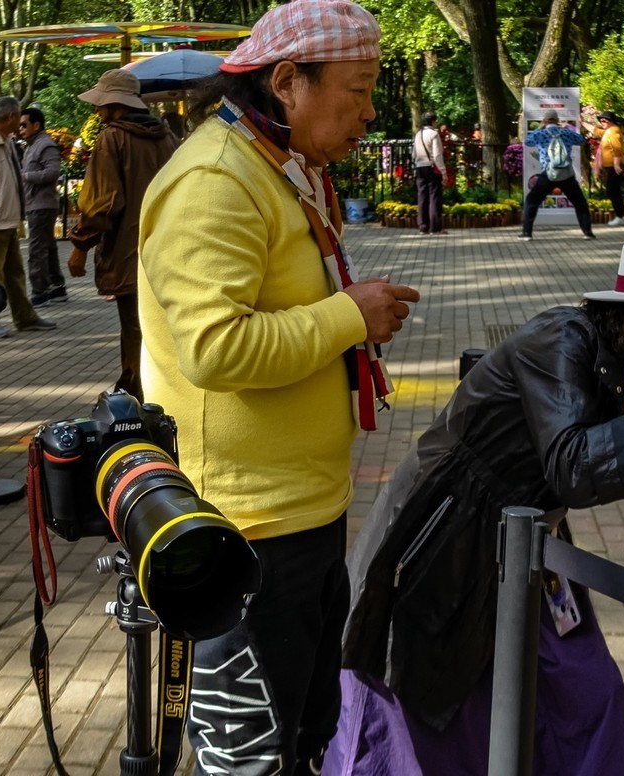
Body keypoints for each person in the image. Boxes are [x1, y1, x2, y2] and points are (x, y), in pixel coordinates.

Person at [329, 238, 624, 776]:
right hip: (447, 549)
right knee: (442, 724)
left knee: (591, 699)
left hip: (533, 552)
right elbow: (574, 470)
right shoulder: (561, 340)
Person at [138, 2, 421, 772]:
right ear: (289, 82)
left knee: (304, 733)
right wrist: (346, 317)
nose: (370, 111)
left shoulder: (277, 165)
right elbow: (214, 347)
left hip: (301, 512)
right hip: (245, 528)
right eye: (358, 90)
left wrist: (347, 318)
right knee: (257, 755)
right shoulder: (215, 179)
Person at [68, 69, 179, 402]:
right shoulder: (168, 137)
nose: (97, 111)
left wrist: (80, 246)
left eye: (100, 104)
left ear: (114, 104)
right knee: (158, 330)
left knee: (135, 330)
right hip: (168, 251)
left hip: (129, 254)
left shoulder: (111, 139)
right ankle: (151, 391)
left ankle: (138, 398)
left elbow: (103, 202)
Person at [0, 97, 57, 338]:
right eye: (18, 117)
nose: (20, 123)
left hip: (7, 220)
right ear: (10, 117)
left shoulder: (6, 142)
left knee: (14, 273)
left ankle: (25, 317)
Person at [19, 107, 68, 307]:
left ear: (36, 125)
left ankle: (40, 292)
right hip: (35, 204)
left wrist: (25, 176)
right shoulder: (31, 145)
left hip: (42, 205)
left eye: (24, 124)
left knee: (36, 250)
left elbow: (52, 172)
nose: (20, 129)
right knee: (48, 247)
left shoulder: (45, 145)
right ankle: (57, 287)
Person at [521, 110, 595, 240]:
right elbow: (581, 140)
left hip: (548, 174)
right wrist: (565, 128)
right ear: (557, 120)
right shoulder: (566, 133)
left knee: (531, 201)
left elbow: (527, 141)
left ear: (545, 120)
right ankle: (587, 232)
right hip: (566, 174)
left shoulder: (540, 133)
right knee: (580, 203)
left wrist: (539, 127)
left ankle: (527, 233)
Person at [413, 110, 446, 235]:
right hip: (432, 167)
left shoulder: (418, 134)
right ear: (432, 121)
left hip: (419, 167)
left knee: (422, 196)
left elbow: (414, 153)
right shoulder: (433, 134)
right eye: (435, 120)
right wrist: (443, 171)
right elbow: (437, 155)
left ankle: (423, 226)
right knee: (434, 197)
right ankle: (435, 227)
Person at [593, 110, 624, 225]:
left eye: (604, 120)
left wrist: (617, 164)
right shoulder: (608, 132)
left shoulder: (613, 131)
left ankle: (620, 216)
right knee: (613, 191)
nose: (602, 122)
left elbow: (617, 148)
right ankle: (621, 216)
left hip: (614, 167)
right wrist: (581, 123)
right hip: (610, 166)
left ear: (611, 121)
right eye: (601, 120)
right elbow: (596, 132)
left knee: (613, 191)